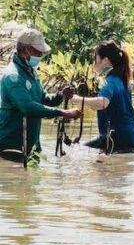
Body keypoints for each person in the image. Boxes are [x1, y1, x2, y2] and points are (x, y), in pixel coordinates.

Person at [0, 29, 81, 162]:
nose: (41, 54)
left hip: (31, 143)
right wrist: (63, 112)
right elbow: (28, 107)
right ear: (25, 50)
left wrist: (60, 95)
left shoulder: (31, 72)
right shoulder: (13, 76)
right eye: (37, 51)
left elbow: (43, 99)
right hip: (12, 145)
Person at [71, 41, 134, 153]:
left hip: (118, 139)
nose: (94, 62)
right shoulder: (123, 79)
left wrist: (76, 99)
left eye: (96, 58)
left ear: (105, 60)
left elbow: (103, 103)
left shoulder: (109, 82)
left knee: (75, 149)